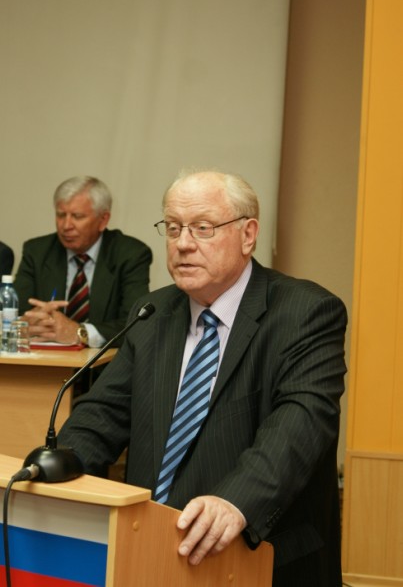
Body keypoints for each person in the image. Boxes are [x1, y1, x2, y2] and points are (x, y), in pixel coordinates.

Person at [58, 169, 347, 586]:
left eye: (203, 228)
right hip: (150, 551)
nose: (183, 243)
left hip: (257, 557)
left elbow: (298, 427)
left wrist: (235, 501)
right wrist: (57, 465)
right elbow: (101, 415)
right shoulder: (153, 313)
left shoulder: (305, 312)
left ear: (248, 235)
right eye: (174, 227)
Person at [14, 176, 152, 348]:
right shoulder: (37, 252)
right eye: (61, 215)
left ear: (103, 220)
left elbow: (136, 322)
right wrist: (29, 320)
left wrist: (81, 332)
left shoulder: (130, 254)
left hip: (104, 362)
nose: (66, 225)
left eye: (77, 216)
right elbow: (15, 312)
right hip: (45, 360)